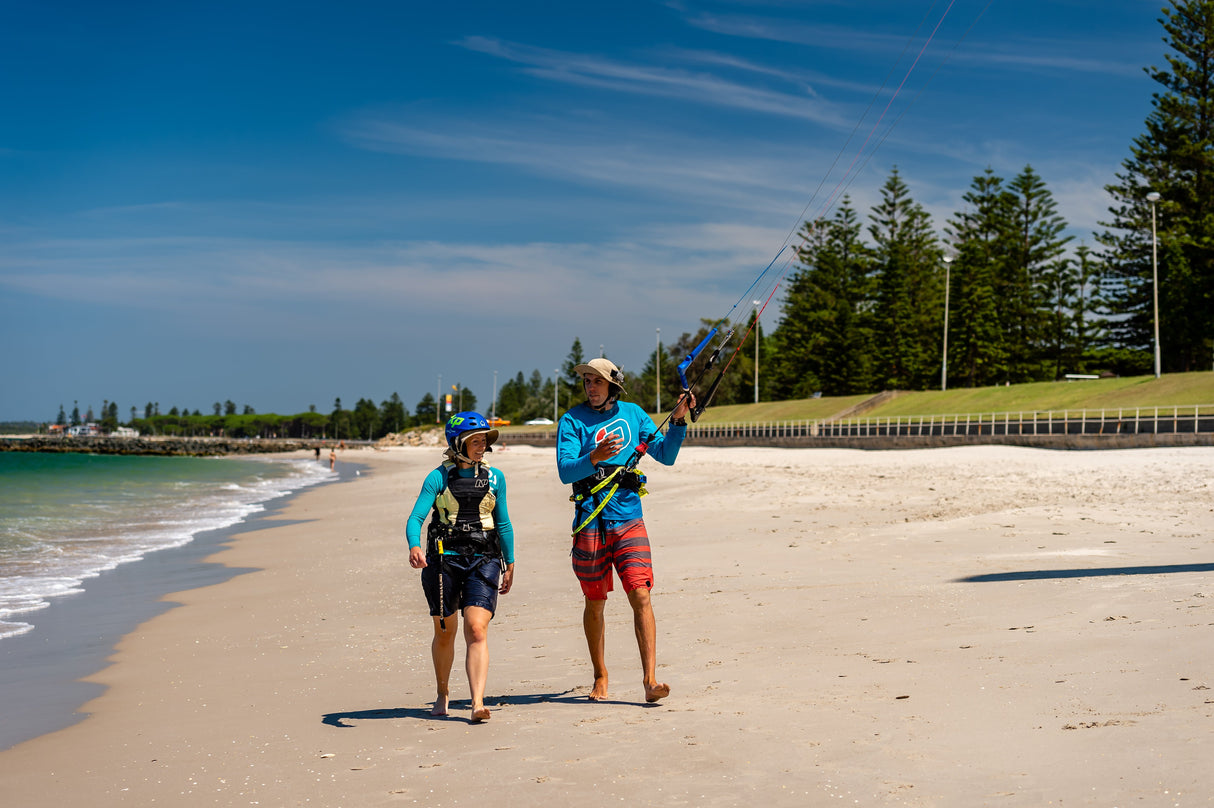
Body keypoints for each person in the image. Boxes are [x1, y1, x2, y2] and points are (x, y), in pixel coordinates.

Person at [556, 358, 694, 703]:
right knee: (595, 601)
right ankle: (600, 675)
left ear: (612, 385)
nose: (590, 387)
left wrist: (677, 419)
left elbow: (666, 454)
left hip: (629, 517)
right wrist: (594, 457)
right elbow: (564, 471)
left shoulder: (633, 414)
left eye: (597, 381)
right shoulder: (572, 421)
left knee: (641, 594)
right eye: (587, 381)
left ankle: (650, 680)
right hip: (590, 519)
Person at [406, 412, 516, 722]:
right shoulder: (438, 478)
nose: (482, 446)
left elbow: (503, 523)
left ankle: (477, 702)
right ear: (458, 444)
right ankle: (442, 692)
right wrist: (415, 545)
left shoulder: (496, 478)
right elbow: (416, 519)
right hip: (444, 561)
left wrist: (510, 562)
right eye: (475, 441)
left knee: (476, 628)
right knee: (445, 632)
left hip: (484, 558)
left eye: (484, 440)